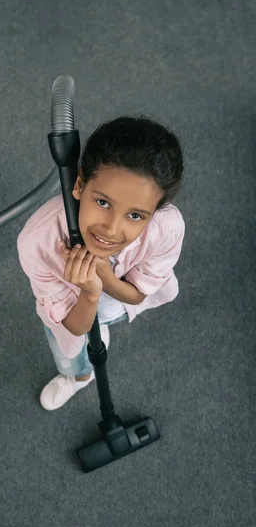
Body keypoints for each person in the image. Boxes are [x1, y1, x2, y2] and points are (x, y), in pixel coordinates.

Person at [17, 115, 185, 411]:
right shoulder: (37, 242)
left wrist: (105, 278)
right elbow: (74, 327)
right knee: (72, 355)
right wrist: (90, 293)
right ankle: (79, 377)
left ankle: (102, 325)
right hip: (75, 312)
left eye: (135, 216)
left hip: (119, 299)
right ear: (79, 184)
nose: (110, 229)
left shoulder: (167, 227)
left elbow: (138, 294)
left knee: (105, 318)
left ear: (154, 213)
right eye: (103, 202)